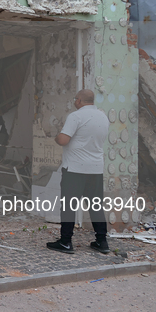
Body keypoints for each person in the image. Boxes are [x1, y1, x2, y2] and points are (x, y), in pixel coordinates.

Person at [47, 89, 110, 254]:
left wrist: (56, 136)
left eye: (76, 99)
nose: (75, 101)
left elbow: (63, 139)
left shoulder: (76, 116)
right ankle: (102, 242)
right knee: (96, 206)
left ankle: (66, 242)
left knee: (68, 206)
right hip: (96, 169)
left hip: (75, 169)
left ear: (79, 100)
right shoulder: (103, 117)